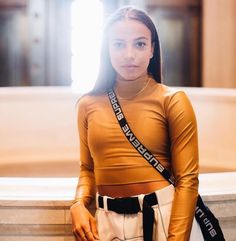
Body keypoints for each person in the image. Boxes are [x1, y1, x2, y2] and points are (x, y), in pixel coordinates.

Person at [70, 5, 204, 241]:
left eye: (140, 44)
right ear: (107, 49)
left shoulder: (172, 101)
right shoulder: (87, 104)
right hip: (106, 223)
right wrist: (79, 204)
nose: (129, 54)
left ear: (152, 49)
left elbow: (187, 181)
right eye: (119, 44)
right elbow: (87, 169)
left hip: (162, 219)